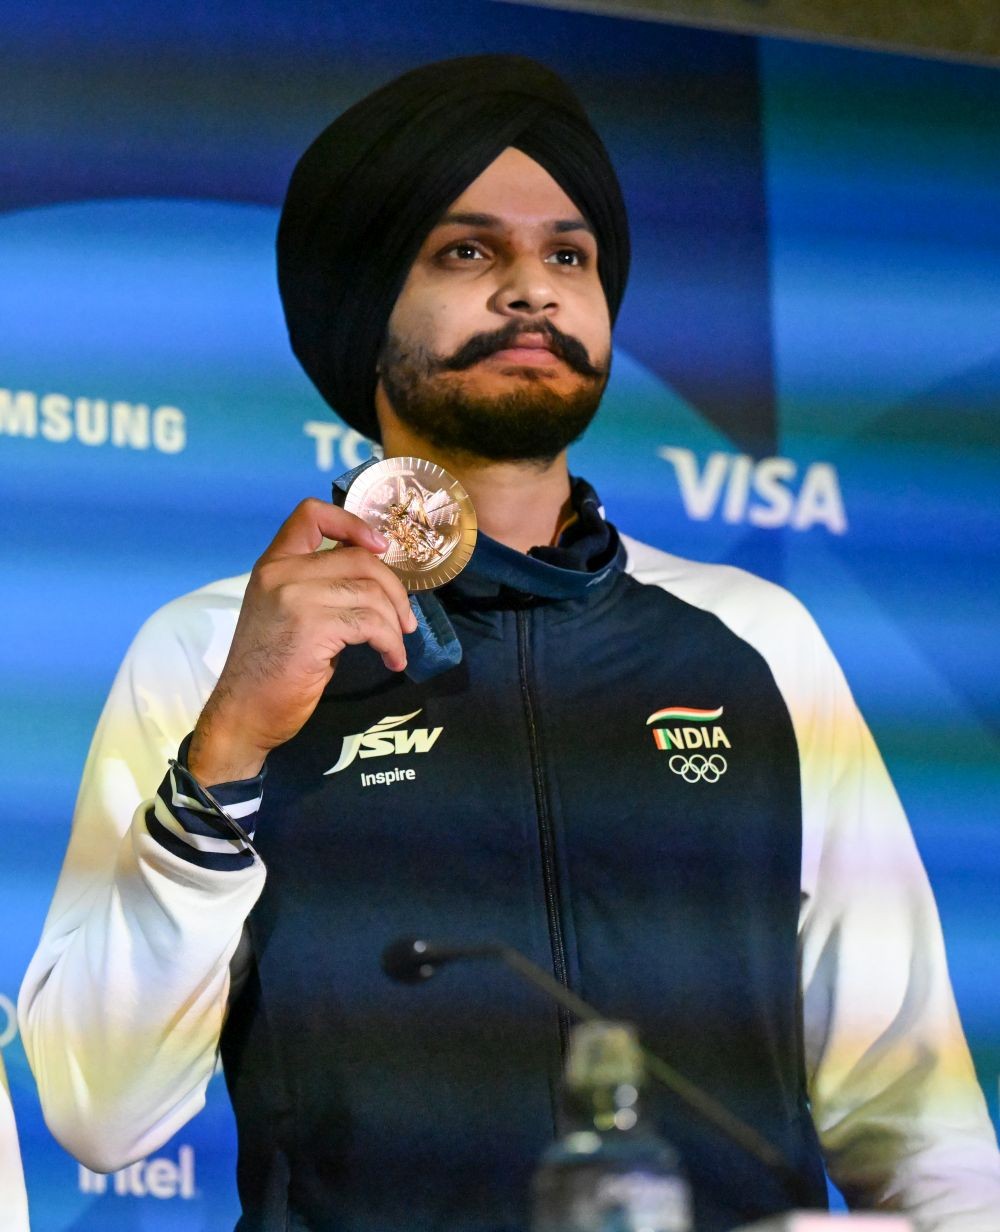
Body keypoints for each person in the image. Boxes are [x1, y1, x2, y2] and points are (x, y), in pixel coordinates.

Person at [18, 54, 1000, 1232]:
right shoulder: (210, 652)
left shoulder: (755, 638)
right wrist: (227, 747)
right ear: (362, 306)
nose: (532, 290)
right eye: (467, 251)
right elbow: (98, 1111)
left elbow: (912, 1109)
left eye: (567, 254)